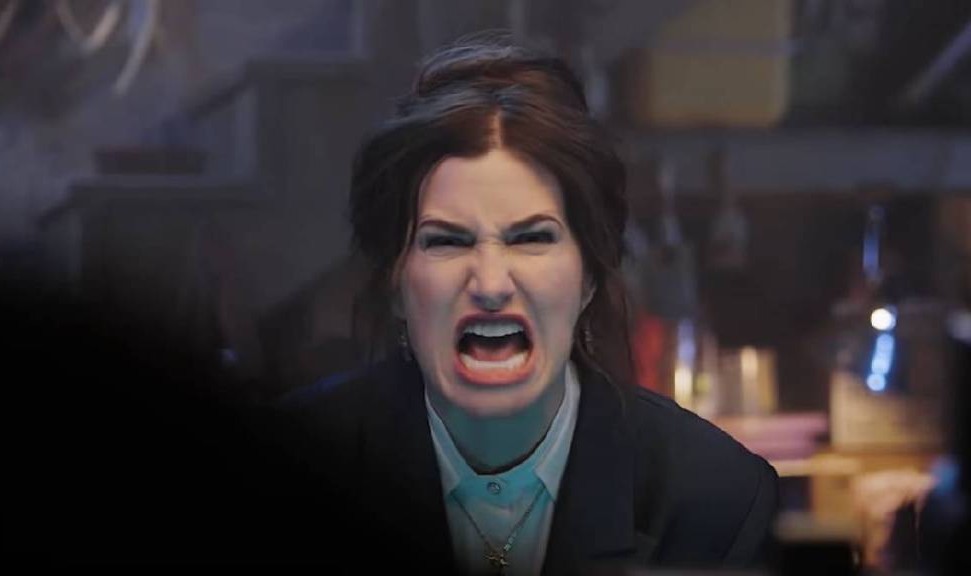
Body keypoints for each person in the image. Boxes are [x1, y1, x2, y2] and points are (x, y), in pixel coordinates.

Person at [278, 32, 778, 575]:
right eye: (447, 241)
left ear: (589, 276)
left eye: (532, 238)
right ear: (396, 283)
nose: (491, 284)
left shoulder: (712, 501)